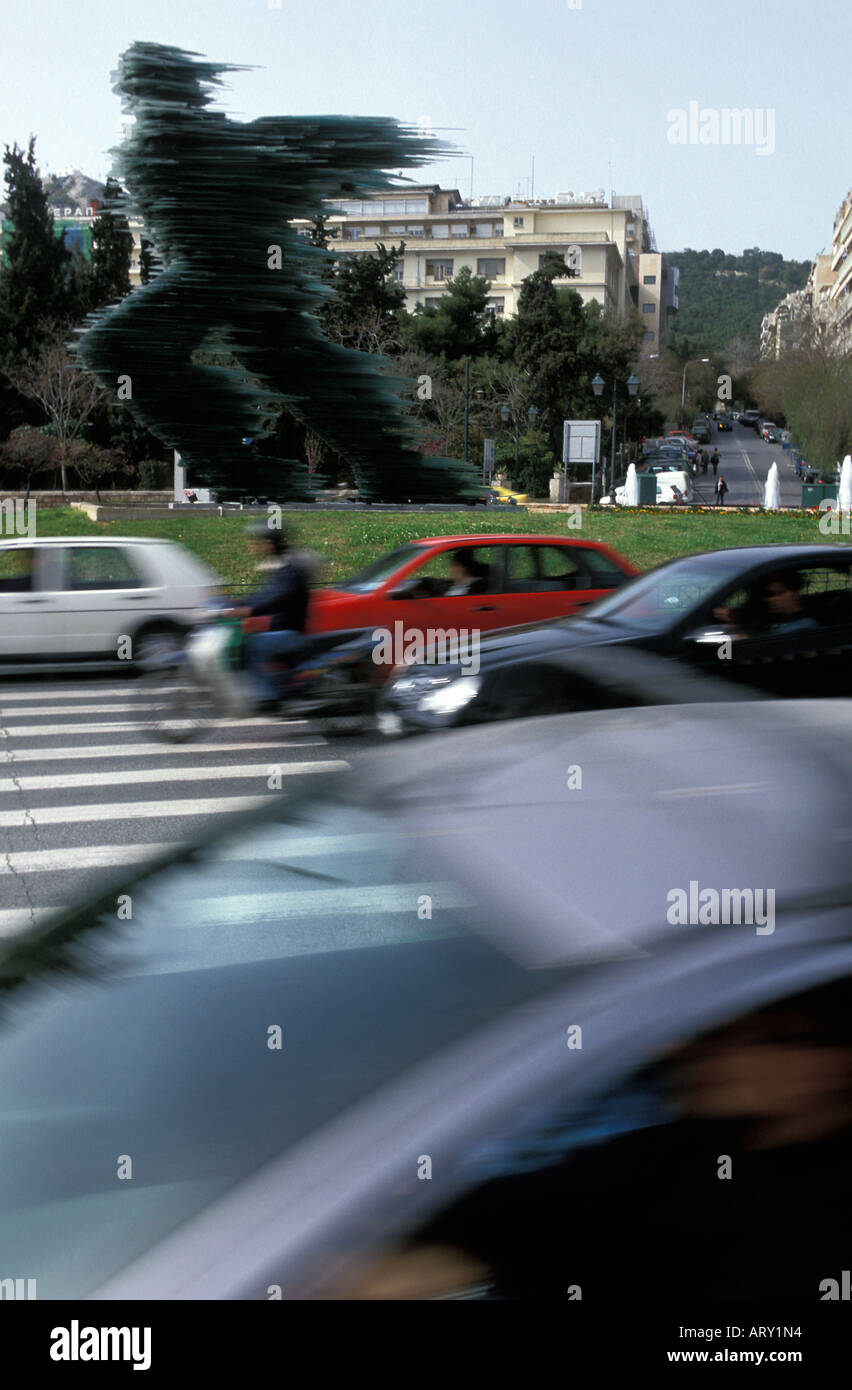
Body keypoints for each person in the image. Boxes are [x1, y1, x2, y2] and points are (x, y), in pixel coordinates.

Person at [221, 523, 309, 707]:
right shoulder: (282, 566)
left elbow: (277, 599)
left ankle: (268, 697)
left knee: (250, 647)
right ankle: (268, 687)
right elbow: (264, 595)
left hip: (292, 633)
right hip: (282, 630)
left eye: (259, 543)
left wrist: (248, 610)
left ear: (270, 544)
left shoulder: (290, 569)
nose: (255, 547)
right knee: (247, 645)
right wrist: (237, 603)